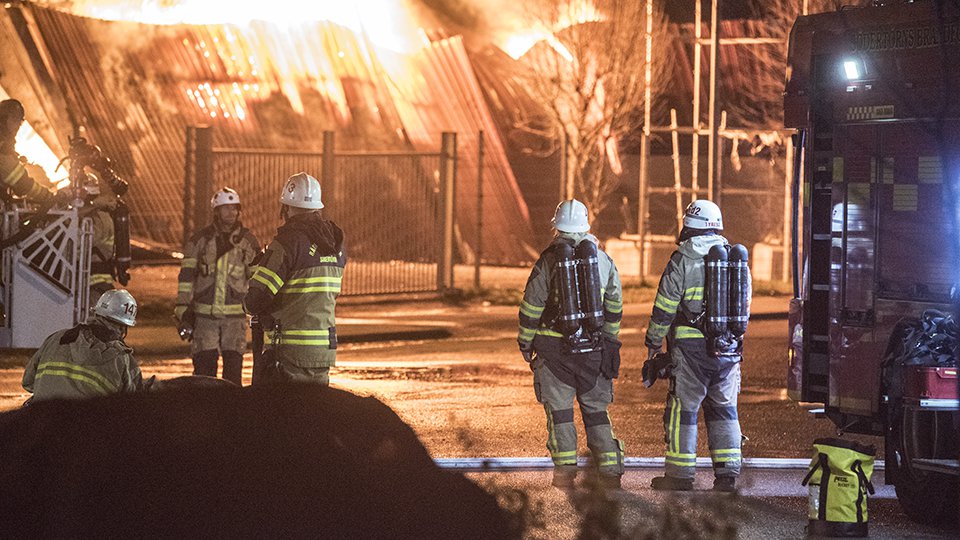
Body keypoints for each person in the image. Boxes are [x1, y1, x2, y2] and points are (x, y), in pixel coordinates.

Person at [517, 199, 625, 489]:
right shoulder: (602, 260)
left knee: (561, 413)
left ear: (557, 227)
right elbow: (614, 303)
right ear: (586, 226)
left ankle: (565, 473)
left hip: (554, 354)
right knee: (596, 413)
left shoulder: (549, 261)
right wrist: (609, 338)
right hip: (594, 351)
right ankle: (611, 471)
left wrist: (525, 343)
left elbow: (531, 307)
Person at [645, 199, 744, 492]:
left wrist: (652, 342)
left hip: (690, 351)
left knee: (683, 409)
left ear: (689, 226)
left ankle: (680, 475)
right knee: (725, 409)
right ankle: (727, 475)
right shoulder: (734, 261)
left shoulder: (682, 260)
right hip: (727, 349)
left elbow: (664, 307)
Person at [244, 172, 345, 385]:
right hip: (323, 350)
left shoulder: (287, 244)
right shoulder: (336, 244)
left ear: (286, 208)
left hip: (290, 352)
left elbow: (255, 300)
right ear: (317, 207)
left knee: (285, 416)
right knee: (313, 414)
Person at [175, 187, 260, 386]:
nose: (231, 213)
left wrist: (259, 310)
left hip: (235, 320)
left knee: (232, 374)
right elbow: (186, 277)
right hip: (205, 318)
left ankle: (231, 415)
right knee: (204, 374)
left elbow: (257, 279)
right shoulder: (200, 241)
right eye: (226, 208)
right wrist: (182, 310)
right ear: (216, 211)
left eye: (234, 208)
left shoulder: (248, 241)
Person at [22, 289, 142, 403]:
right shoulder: (122, 358)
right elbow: (133, 402)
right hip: (84, 423)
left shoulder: (57, 338)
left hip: (42, 420)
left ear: (97, 314)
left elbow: (28, 382)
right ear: (122, 327)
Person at [0, 99, 54, 204]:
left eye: (20, 122)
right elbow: (20, 182)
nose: (18, 126)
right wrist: (48, 196)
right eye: (15, 119)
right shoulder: (3, 147)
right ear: (4, 118)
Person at [80, 176, 119, 302]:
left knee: (92, 320)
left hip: (95, 286)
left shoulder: (98, 218)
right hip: (89, 284)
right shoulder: (91, 214)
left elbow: (77, 241)